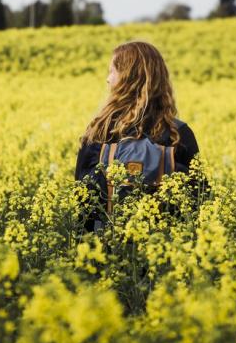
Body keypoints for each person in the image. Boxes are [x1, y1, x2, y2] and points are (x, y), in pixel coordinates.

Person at [74, 40, 201, 232]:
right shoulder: (178, 134)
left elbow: (82, 202)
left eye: (112, 71)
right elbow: (199, 201)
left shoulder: (101, 132)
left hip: (106, 249)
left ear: (127, 78)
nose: (108, 79)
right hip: (165, 251)